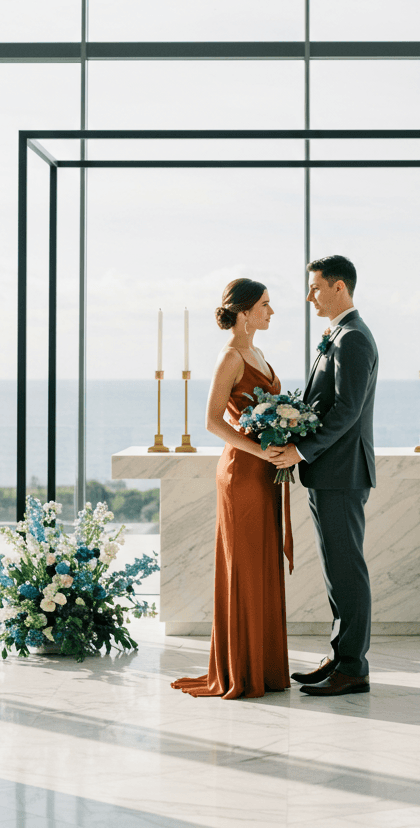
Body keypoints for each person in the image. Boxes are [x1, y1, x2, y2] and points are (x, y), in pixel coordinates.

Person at [171, 278, 292, 699]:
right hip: (243, 472)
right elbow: (212, 422)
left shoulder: (257, 351)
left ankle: (266, 667)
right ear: (243, 313)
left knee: (262, 563)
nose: (271, 312)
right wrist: (262, 450)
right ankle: (241, 669)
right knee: (243, 564)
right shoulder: (230, 357)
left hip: (264, 471)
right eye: (265, 305)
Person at [268, 254, 378, 697]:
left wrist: (299, 448)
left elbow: (348, 411)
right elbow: (324, 405)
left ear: (339, 288)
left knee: (347, 569)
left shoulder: (353, 339)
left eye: (315, 287)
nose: (310, 296)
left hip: (342, 472)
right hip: (328, 472)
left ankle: (353, 667)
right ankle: (340, 655)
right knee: (336, 569)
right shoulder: (338, 335)